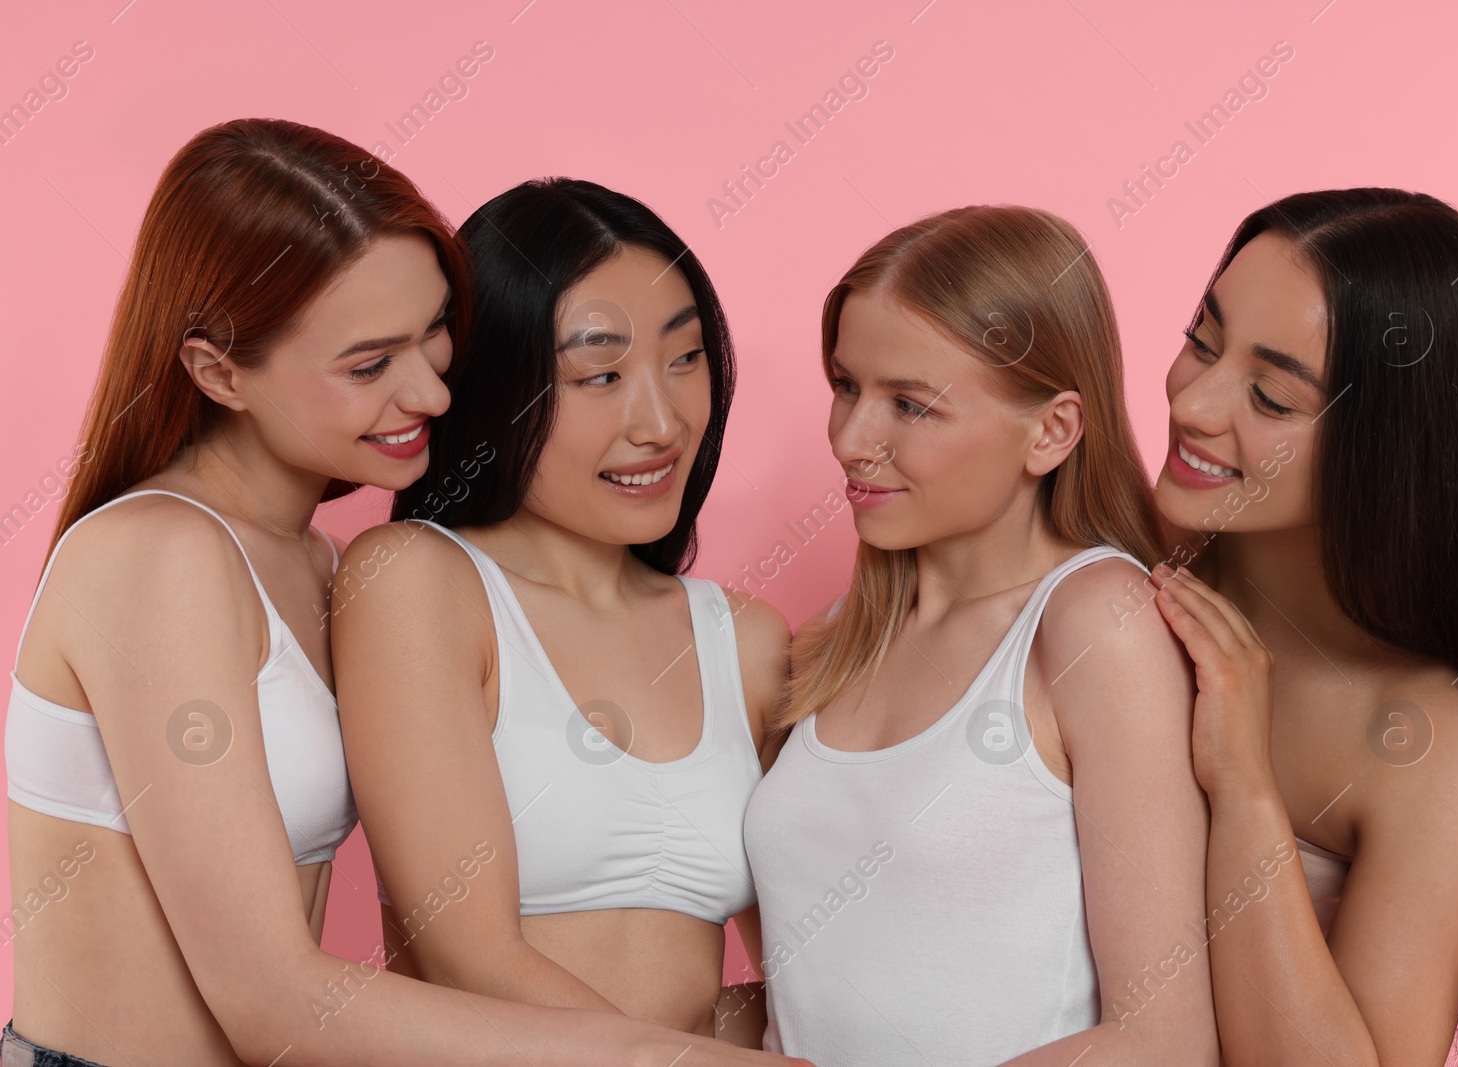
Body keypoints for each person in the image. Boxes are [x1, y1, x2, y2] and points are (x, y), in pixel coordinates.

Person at [3, 118, 800, 1067]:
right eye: (370, 364)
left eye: (435, 338)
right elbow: (273, 997)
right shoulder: (157, 553)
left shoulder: (316, 566)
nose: (430, 392)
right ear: (218, 371)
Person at [743, 205, 1220, 1066]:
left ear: (1052, 431)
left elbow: (1163, 1040)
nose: (853, 440)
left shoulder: (1096, 625)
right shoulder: (831, 644)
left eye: (910, 406)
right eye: (846, 385)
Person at [1147, 187, 1458, 1066]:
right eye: (1200, 341)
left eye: (1271, 398)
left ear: (1394, 447)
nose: (1194, 404)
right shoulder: (1105, 575)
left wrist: (1242, 784)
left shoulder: (1424, 742)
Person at [330, 178, 787, 1046]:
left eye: (685, 358)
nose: (659, 422)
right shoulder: (416, 583)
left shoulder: (748, 642)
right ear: (496, 390)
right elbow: (470, 959)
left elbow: (807, 966)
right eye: (600, 374)